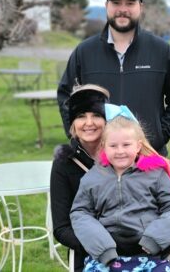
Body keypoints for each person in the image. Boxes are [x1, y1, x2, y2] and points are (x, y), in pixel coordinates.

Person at [57, 0, 170, 156]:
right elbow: (67, 96)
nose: (123, 9)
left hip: (148, 157)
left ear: (140, 7)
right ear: (107, 6)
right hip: (97, 160)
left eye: (130, 3)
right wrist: (79, 137)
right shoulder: (85, 52)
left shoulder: (161, 50)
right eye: (116, 3)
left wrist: (159, 135)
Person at [70, 104, 170, 271]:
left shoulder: (155, 174)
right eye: (113, 146)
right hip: (107, 256)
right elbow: (80, 213)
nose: (120, 151)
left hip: (148, 254)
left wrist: (155, 238)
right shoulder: (93, 178)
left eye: (126, 145)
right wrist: (103, 247)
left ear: (138, 146)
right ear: (103, 146)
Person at [50, 84, 110, 272]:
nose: (89, 123)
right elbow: (61, 228)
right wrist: (101, 246)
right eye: (81, 116)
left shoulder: (123, 153)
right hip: (88, 251)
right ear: (73, 125)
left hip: (134, 245)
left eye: (96, 115)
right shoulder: (64, 163)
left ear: (107, 120)